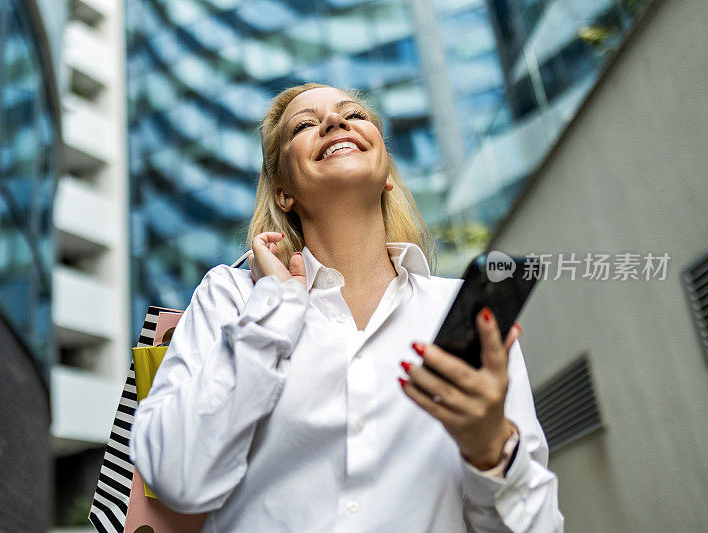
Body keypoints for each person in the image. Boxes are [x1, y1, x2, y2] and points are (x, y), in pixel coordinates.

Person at [130, 83, 564, 532]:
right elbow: (177, 477)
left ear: (387, 172)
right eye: (304, 124)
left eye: (354, 115)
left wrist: (490, 450)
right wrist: (274, 311)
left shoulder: (462, 315)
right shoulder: (234, 297)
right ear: (283, 192)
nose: (336, 123)